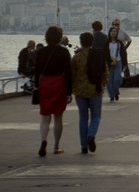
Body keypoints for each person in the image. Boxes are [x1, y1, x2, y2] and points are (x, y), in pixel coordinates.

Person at [35, 26, 73, 157]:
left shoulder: (40, 52)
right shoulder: (64, 52)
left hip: (44, 84)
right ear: (59, 37)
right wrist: (69, 91)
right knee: (58, 116)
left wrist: (36, 86)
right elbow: (68, 72)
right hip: (59, 84)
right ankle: (56, 146)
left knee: (45, 117)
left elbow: (37, 71)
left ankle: (43, 140)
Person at [72, 32, 108, 154]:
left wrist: (73, 89)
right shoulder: (99, 55)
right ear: (92, 42)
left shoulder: (76, 57)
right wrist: (102, 84)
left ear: (81, 42)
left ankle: (83, 146)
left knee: (83, 118)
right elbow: (105, 72)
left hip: (80, 91)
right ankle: (91, 135)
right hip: (95, 90)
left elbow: (72, 74)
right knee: (96, 116)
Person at [106, 26, 126, 102]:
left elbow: (123, 53)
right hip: (109, 63)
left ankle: (116, 91)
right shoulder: (107, 43)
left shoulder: (119, 42)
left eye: (115, 31)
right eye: (112, 31)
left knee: (117, 79)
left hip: (118, 62)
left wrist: (125, 63)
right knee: (109, 80)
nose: (113, 33)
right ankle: (112, 96)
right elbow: (104, 54)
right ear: (109, 33)